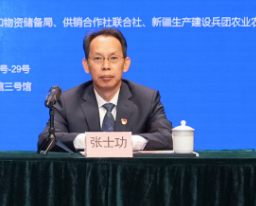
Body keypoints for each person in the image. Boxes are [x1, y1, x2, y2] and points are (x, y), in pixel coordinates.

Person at [38, 26, 173, 151]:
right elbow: (46, 139)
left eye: (113, 58)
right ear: (86, 65)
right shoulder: (67, 101)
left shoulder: (147, 99)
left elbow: (167, 138)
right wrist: (91, 142)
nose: (106, 66)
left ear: (125, 64)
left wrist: (125, 142)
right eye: (98, 58)